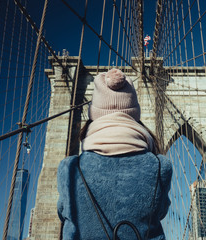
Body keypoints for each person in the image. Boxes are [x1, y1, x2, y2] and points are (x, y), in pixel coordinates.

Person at [57, 68, 173, 240]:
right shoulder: (160, 166)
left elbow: (64, 212)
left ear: (93, 115)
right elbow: (161, 211)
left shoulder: (69, 168)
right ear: (135, 115)